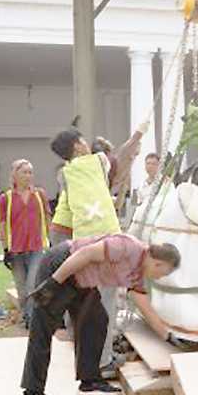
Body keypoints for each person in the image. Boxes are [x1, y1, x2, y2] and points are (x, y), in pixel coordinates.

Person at [20, 234, 181, 395]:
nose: (160, 277)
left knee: (96, 320)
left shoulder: (138, 272)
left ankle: (90, 382)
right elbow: (85, 255)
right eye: (164, 273)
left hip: (82, 280)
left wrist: (167, 335)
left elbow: (144, 305)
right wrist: (53, 283)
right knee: (43, 329)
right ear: (158, 262)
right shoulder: (128, 247)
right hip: (62, 265)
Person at [48, 123, 148, 374]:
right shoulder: (96, 162)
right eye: (84, 141)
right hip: (105, 245)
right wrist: (138, 134)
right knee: (105, 304)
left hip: (81, 244)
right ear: (79, 145)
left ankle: (91, 355)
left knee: (89, 303)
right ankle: (102, 363)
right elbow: (120, 158)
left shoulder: (66, 174)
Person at [0, 159, 50, 326]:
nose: (28, 176)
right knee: (21, 289)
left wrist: (48, 240)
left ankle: (32, 320)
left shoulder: (39, 194)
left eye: (30, 172)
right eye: (24, 172)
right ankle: (28, 316)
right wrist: (5, 249)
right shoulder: (5, 198)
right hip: (16, 249)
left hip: (37, 247)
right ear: (15, 175)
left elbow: (47, 218)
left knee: (32, 285)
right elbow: (3, 224)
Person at [127, 152, 162, 227]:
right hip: (142, 222)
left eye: (153, 164)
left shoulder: (165, 184)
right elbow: (136, 204)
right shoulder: (141, 185)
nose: (150, 166)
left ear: (159, 166)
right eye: (148, 163)